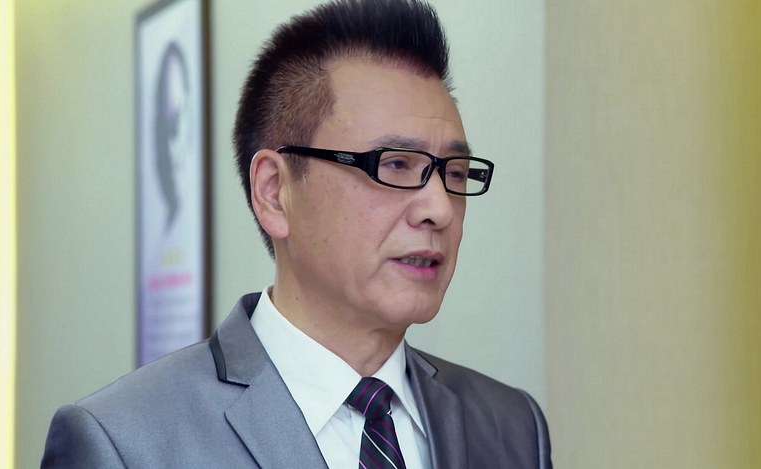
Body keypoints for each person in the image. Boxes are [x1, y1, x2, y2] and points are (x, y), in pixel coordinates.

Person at [41, 0, 552, 467]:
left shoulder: (511, 426)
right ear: (273, 192)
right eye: (395, 164)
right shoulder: (125, 442)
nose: (439, 209)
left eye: (455, 173)